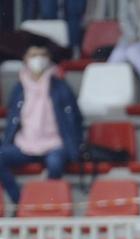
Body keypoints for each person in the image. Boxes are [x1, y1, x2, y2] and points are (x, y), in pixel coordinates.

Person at [0, 44, 82, 206]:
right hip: (25, 143)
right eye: (33, 55)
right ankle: (22, 202)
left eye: (42, 54)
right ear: (25, 60)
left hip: (54, 143)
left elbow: (75, 118)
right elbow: (12, 119)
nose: (38, 59)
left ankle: (45, 204)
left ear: (48, 59)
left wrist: (74, 144)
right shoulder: (19, 88)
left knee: (55, 164)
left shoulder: (60, 86)